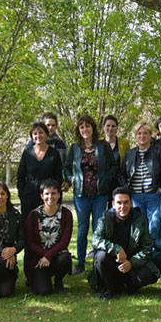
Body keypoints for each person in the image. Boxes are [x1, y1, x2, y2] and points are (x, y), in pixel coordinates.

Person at [63, 115, 117, 275]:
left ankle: (97, 262)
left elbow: (113, 164)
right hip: (81, 195)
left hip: (100, 194)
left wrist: (106, 178)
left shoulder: (103, 145)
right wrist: (70, 178)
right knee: (82, 229)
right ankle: (80, 263)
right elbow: (66, 167)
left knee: (98, 228)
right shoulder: (74, 148)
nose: (85, 130)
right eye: (81, 127)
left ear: (93, 128)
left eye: (87, 126)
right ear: (79, 130)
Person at [88, 187, 159, 300]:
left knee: (148, 274)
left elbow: (147, 249)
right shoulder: (105, 218)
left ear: (131, 203)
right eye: (119, 203)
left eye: (126, 202)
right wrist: (116, 249)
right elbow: (95, 240)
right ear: (113, 204)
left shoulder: (140, 220)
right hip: (112, 263)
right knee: (101, 256)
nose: (122, 206)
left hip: (131, 264)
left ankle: (130, 287)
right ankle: (109, 289)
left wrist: (131, 262)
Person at [24, 179, 73, 296]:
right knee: (43, 292)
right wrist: (44, 255)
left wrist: (49, 255)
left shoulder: (66, 214)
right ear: (41, 196)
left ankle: (58, 280)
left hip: (56, 257)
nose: (50, 197)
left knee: (65, 258)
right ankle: (39, 278)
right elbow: (30, 243)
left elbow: (64, 242)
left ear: (59, 195)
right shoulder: (33, 215)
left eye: (54, 193)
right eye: (46, 194)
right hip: (38, 259)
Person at [120, 121, 161, 221]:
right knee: (139, 226)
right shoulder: (130, 154)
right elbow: (122, 174)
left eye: (145, 133)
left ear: (150, 135)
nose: (142, 136)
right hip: (135, 196)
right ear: (136, 136)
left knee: (154, 226)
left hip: (153, 195)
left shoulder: (159, 151)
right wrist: (127, 188)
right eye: (139, 133)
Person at [17, 122, 63, 217]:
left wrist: (57, 196)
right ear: (32, 137)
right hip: (29, 196)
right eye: (35, 134)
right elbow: (20, 175)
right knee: (29, 226)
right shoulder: (27, 153)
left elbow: (58, 177)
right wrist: (22, 193)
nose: (38, 136)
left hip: (48, 196)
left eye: (41, 133)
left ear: (46, 134)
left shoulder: (54, 153)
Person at [102, 115, 130, 206]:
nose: (110, 128)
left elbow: (128, 163)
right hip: (103, 182)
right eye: (108, 126)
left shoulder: (124, 143)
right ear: (103, 127)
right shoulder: (98, 143)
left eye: (113, 126)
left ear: (117, 128)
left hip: (119, 182)